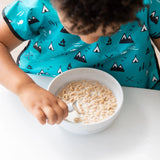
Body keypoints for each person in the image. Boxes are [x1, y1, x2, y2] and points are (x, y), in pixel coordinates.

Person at [0, 0, 159, 125]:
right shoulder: (35, 5)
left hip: (136, 97)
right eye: (74, 29)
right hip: (43, 89)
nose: (89, 41)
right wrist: (24, 87)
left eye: (109, 31)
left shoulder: (147, 4)